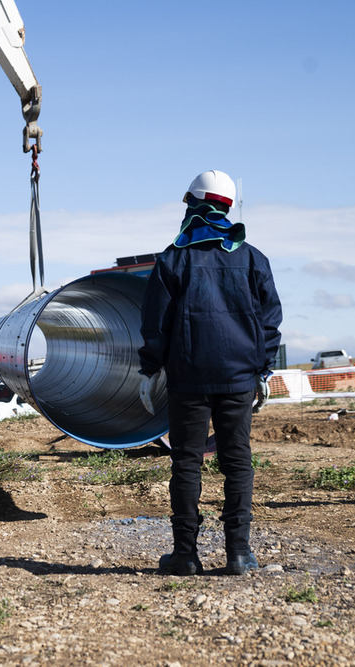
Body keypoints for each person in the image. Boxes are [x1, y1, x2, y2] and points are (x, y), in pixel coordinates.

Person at [139, 170, 283, 576]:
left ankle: (185, 554)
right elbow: (270, 321)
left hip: (188, 380)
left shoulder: (172, 258)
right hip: (239, 379)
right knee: (237, 462)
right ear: (228, 207)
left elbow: (156, 324)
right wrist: (264, 369)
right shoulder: (253, 258)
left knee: (186, 461)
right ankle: (238, 553)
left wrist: (150, 369)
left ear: (195, 204)